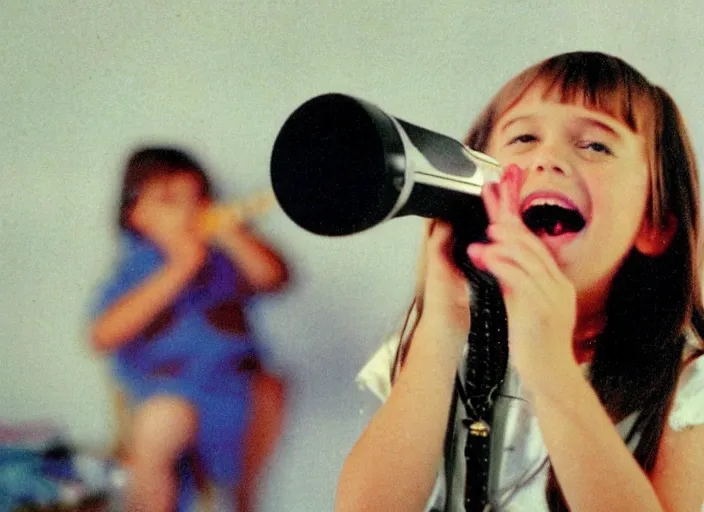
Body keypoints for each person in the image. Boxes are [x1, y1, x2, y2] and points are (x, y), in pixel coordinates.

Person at [336, 51, 704, 511]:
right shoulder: (439, 348)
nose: (547, 158)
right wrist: (442, 324)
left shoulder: (690, 390)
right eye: (524, 137)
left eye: (595, 145)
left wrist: (548, 364)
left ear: (654, 225)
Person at [89, 147, 289, 512]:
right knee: (162, 420)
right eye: (169, 199)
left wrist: (233, 236)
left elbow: (274, 278)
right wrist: (179, 267)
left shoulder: (224, 262)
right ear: (136, 215)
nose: (187, 210)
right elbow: (102, 335)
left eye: (197, 199)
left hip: (234, 395)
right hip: (166, 391)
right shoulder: (137, 268)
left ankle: (243, 501)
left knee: (271, 388)